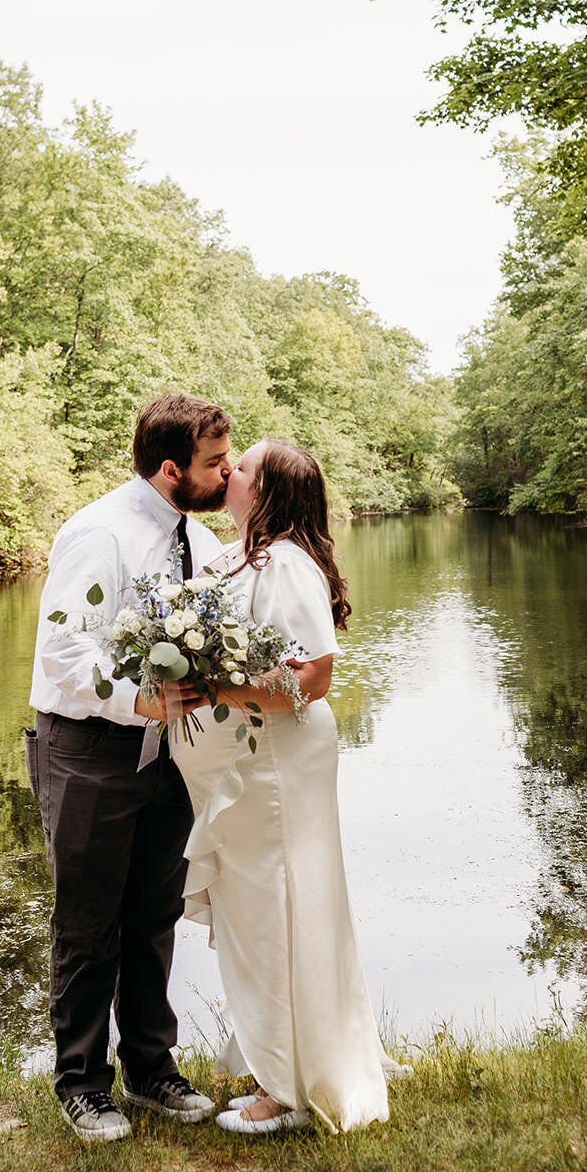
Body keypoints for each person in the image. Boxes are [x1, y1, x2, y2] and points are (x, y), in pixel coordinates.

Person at [169, 438, 410, 1135]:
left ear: (267, 490)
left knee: (275, 909)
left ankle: (286, 1089)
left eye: (239, 466)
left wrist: (211, 686)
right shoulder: (245, 555)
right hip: (252, 764)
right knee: (267, 908)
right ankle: (288, 1057)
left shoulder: (284, 564)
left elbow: (310, 679)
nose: (227, 471)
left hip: (273, 766)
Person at [27, 393, 233, 1143]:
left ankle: (150, 1069)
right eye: (215, 463)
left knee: (154, 915)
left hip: (172, 756)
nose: (226, 473)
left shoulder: (201, 542)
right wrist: (140, 699)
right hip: (89, 750)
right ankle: (82, 1084)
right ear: (172, 467)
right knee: (87, 924)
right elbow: (63, 651)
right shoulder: (97, 533)